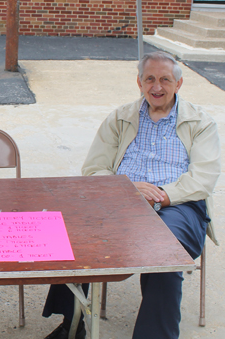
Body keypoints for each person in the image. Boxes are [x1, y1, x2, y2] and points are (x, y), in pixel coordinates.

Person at [42, 51, 221, 339]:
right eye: (149, 79)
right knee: (74, 234)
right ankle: (71, 325)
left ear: (179, 83)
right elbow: (93, 170)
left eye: (165, 79)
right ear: (139, 82)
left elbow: (203, 179)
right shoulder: (120, 117)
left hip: (177, 205)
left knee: (164, 252)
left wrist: (162, 194)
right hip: (120, 200)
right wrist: (126, 187)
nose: (157, 87)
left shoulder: (200, 123)